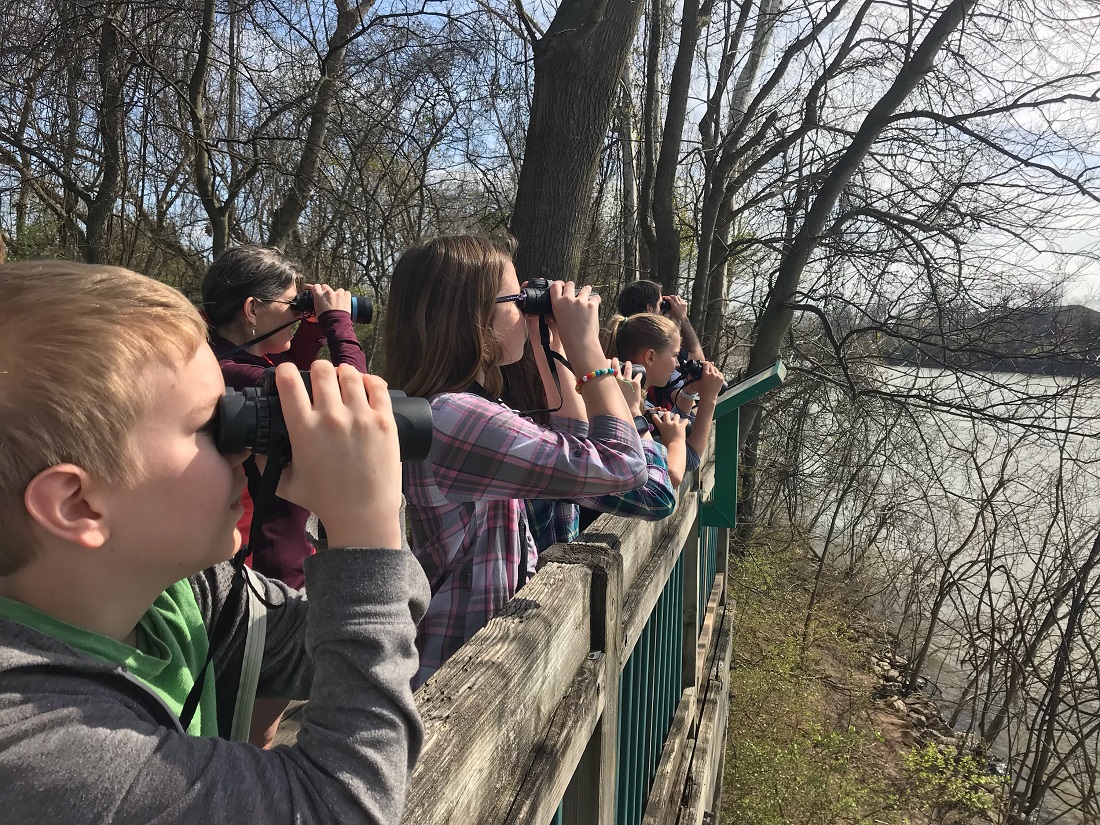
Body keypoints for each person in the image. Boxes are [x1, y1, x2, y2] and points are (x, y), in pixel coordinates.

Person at [0, 261, 427, 824]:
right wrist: (366, 533)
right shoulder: (39, 743)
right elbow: (344, 808)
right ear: (77, 505)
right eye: (211, 425)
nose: (243, 449)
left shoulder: (175, 598)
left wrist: (360, 528)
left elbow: (365, 628)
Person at [381, 235, 648, 686]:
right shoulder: (455, 416)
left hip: (476, 663)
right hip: (456, 672)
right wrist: (590, 353)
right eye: (516, 301)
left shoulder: (454, 407)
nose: (526, 313)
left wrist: (557, 342)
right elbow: (622, 468)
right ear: (474, 319)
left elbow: (573, 444)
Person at [202, 245, 367, 590]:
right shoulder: (234, 377)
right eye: (292, 305)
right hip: (264, 577)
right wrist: (336, 321)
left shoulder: (215, 362)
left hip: (261, 564)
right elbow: (356, 398)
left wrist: (309, 326)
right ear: (251, 309)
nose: (297, 313)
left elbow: (286, 371)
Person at [605, 313, 725, 477]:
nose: (677, 364)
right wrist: (709, 398)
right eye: (675, 355)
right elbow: (689, 458)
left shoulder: (628, 396)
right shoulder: (628, 407)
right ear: (651, 357)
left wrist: (689, 391)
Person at [616, 279, 708, 412]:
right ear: (649, 308)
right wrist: (682, 318)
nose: (676, 363)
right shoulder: (659, 347)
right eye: (661, 304)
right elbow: (698, 362)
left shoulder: (616, 338)